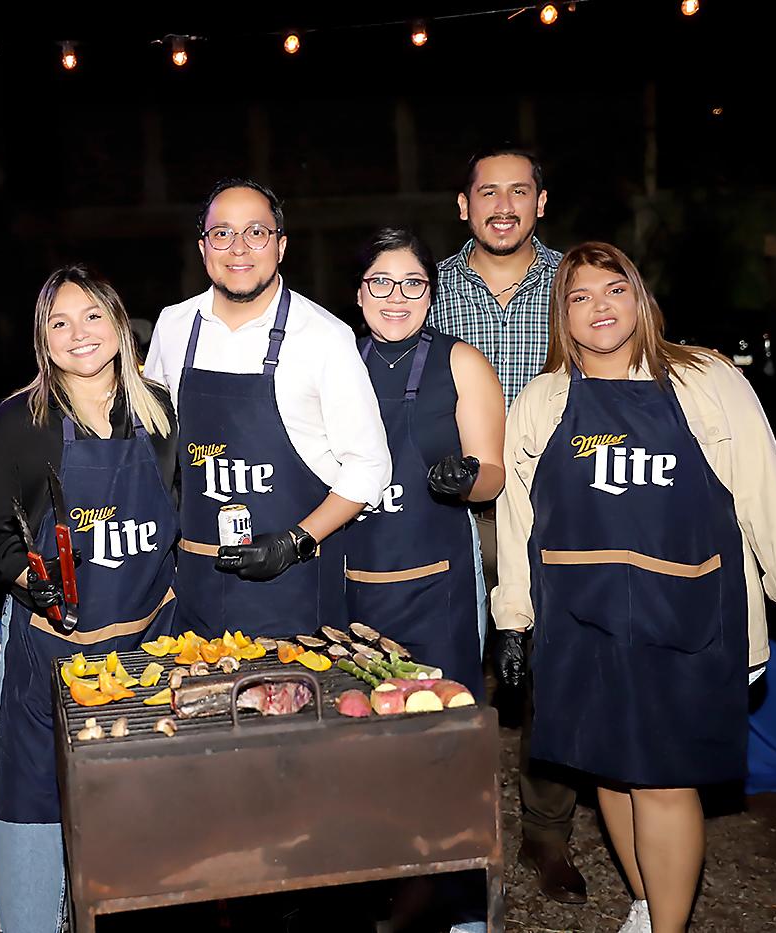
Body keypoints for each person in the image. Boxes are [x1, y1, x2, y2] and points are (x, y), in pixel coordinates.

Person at [492, 242, 776, 933]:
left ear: (640, 298)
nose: (599, 307)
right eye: (579, 296)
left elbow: (763, 489)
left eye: (613, 289)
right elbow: (517, 523)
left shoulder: (705, 377)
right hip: (581, 620)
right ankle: (651, 905)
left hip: (688, 617)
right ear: (562, 315)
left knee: (660, 777)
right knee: (611, 774)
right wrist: (512, 618)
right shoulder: (541, 400)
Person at [0, 265, 179, 933]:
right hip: (52, 656)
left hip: (150, 651)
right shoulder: (19, 422)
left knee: (144, 809)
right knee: (35, 801)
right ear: (43, 341)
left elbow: (185, 518)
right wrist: (28, 579)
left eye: (92, 315)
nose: (78, 333)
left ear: (120, 324)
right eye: (59, 322)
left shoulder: (161, 410)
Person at [427, 145, 583, 903]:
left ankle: (546, 836)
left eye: (519, 191)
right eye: (487, 191)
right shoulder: (426, 287)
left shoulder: (574, 283)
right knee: (457, 672)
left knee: (552, 672)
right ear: (463, 204)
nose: (502, 205)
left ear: (541, 202)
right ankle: (450, 833)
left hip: (557, 507)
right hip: (453, 508)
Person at [145, 177, 390, 637]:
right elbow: (155, 447)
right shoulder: (174, 327)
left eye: (256, 232)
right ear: (203, 247)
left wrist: (295, 542)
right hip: (195, 588)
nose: (239, 247)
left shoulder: (324, 336)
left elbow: (368, 467)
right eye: (223, 233)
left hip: (294, 589)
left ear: (280, 245)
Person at [344, 228, 505, 695]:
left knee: (444, 726)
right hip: (352, 582)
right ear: (359, 292)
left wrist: (466, 479)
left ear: (430, 293)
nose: (396, 297)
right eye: (380, 282)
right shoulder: (337, 363)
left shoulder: (462, 363)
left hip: (440, 587)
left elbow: (491, 474)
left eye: (413, 283)